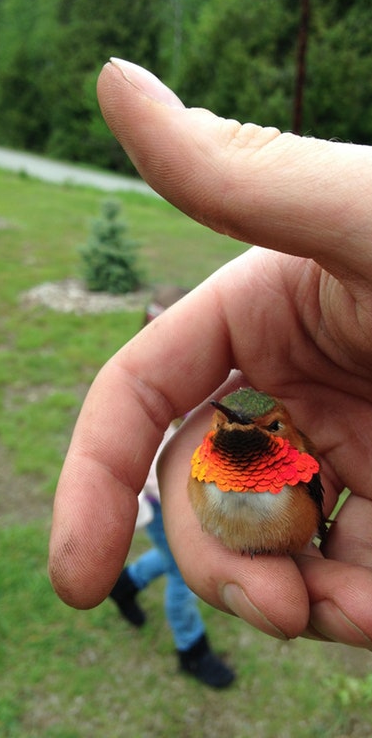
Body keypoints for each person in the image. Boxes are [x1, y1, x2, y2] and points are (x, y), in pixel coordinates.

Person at [49, 59, 372, 667]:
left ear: (283, 436)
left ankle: (136, 584)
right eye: (228, 426)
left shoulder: (299, 472)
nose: (235, 430)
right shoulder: (204, 466)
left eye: (257, 428)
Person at [108, 289, 235, 689]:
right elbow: (143, 464)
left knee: (172, 558)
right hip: (166, 505)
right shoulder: (143, 402)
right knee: (185, 576)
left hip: (191, 501)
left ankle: (125, 585)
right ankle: (192, 651)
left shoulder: (202, 387)